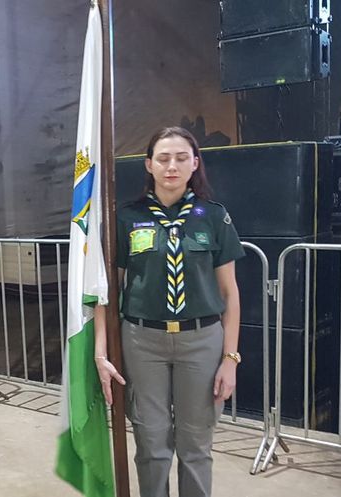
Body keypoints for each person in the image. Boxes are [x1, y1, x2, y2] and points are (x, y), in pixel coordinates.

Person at [94, 127, 243, 497]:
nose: (171, 166)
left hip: (202, 341)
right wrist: (101, 351)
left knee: (196, 445)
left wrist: (230, 358)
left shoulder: (214, 217)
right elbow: (106, 292)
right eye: (163, 158)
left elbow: (230, 293)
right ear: (149, 165)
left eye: (180, 158)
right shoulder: (126, 218)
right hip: (142, 341)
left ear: (195, 163)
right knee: (151, 443)